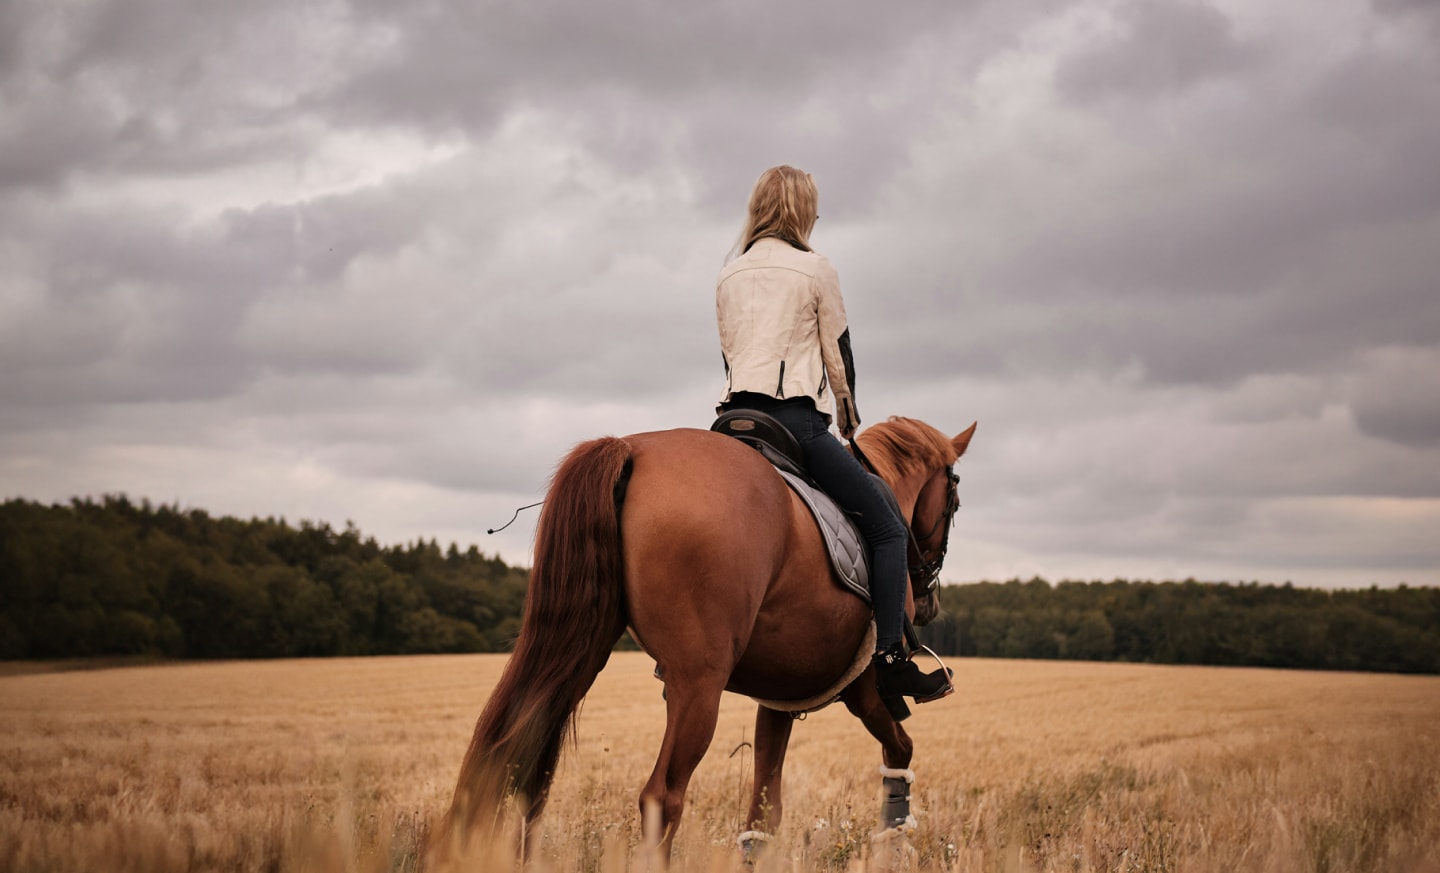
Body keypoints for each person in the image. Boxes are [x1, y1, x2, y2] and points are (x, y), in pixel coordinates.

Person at [715, 165, 951, 705]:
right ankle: (892, 659)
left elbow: (729, 353)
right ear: (802, 212)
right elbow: (836, 354)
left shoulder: (729, 273)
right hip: (794, 421)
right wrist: (846, 416)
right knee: (890, 527)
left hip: (731, 423)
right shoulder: (816, 269)